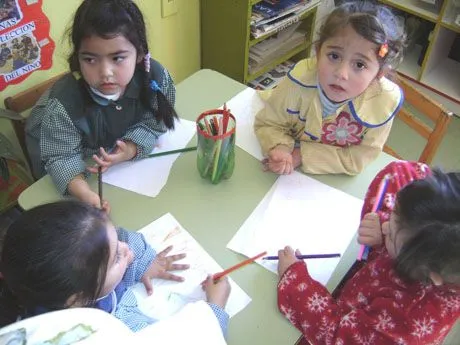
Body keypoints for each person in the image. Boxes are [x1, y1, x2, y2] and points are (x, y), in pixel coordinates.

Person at [276, 160, 460, 344]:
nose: (386, 225)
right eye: (393, 216)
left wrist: (295, 282)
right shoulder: (434, 248)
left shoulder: (406, 324)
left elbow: (336, 336)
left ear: (433, 274)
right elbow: (399, 171)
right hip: (360, 286)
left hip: (342, 321)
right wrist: (384, 226)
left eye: (393, 236)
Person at [25, 0, 178, 210]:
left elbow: (155, 123)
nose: (105, 72)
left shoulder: (156, 79)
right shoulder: (63, 104)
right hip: (72, 166)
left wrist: (130, 149)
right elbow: (60, 157)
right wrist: (85, 193)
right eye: (90, 60)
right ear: (77, 57)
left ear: (140, 54)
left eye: (117, 58)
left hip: (117, 170)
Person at [0, 201, 231, 335]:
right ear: (78, 299)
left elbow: (123, 240)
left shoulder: (56, 281)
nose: (128, 250)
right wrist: (214, 309)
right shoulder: (111, 331)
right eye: (117, 258)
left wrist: (140, 266)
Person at [254, 1, 406, 175]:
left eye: (359, 64)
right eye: (334, 56)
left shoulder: (382, 104)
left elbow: (357, 158)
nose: (341, 73)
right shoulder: (299, 79)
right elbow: (268, 122)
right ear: (318, 52)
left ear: (379, 74)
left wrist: (301, 155)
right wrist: (279, 146)